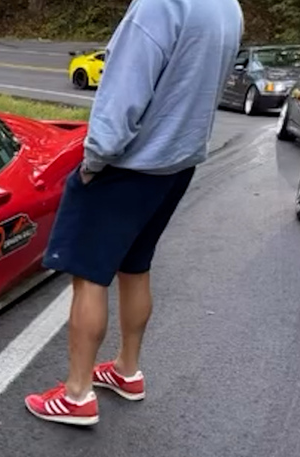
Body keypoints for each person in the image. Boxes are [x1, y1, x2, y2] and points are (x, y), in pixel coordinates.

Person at [24, 0, 244, 426]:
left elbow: (123, 91)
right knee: (136, 265)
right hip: (176, 164)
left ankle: (76, 394)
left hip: (128, 165)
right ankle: (127, 370)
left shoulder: (159, 6)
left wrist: (93, 162)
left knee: (89, 276)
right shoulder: (228, 7)